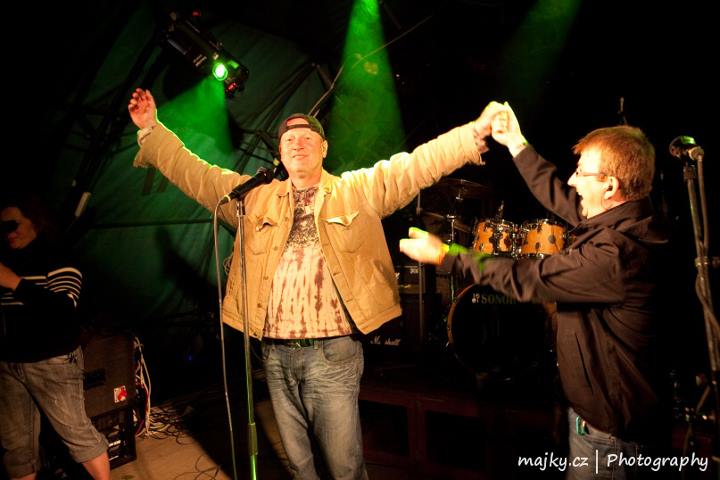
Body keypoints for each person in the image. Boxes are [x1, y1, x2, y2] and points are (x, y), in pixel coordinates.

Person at [128, 87, 504, 479]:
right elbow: (197, 175)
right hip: (275, 356)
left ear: (324, 149)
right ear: (280, 154)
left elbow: (415, 165)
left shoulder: (355, 190)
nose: (298, 143)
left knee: (344, 467)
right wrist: (152, 129)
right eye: (289, 139)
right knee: (299, 466)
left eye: (307, 138)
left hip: (332, 356)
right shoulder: (254, 197)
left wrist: (472, 134)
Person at [400, 104, 670, 479]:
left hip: (609, 439)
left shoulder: (616, 256)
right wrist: (516, 142)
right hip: (602, 423)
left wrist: (448, 255)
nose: (572, 181)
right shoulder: (623, 218)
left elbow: (527, 277)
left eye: (581, 173)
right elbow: (557, 194)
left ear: (610, 186)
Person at [0, 194, 110, 480]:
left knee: (77, 434)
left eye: (13, 224)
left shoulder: (57, 256)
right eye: (2, 227)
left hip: (52, 360)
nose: (8, 233)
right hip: (9, 362)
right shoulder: (7, 260)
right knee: (16, 447)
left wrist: (13, 282)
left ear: (35, 221)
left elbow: (63, 310)